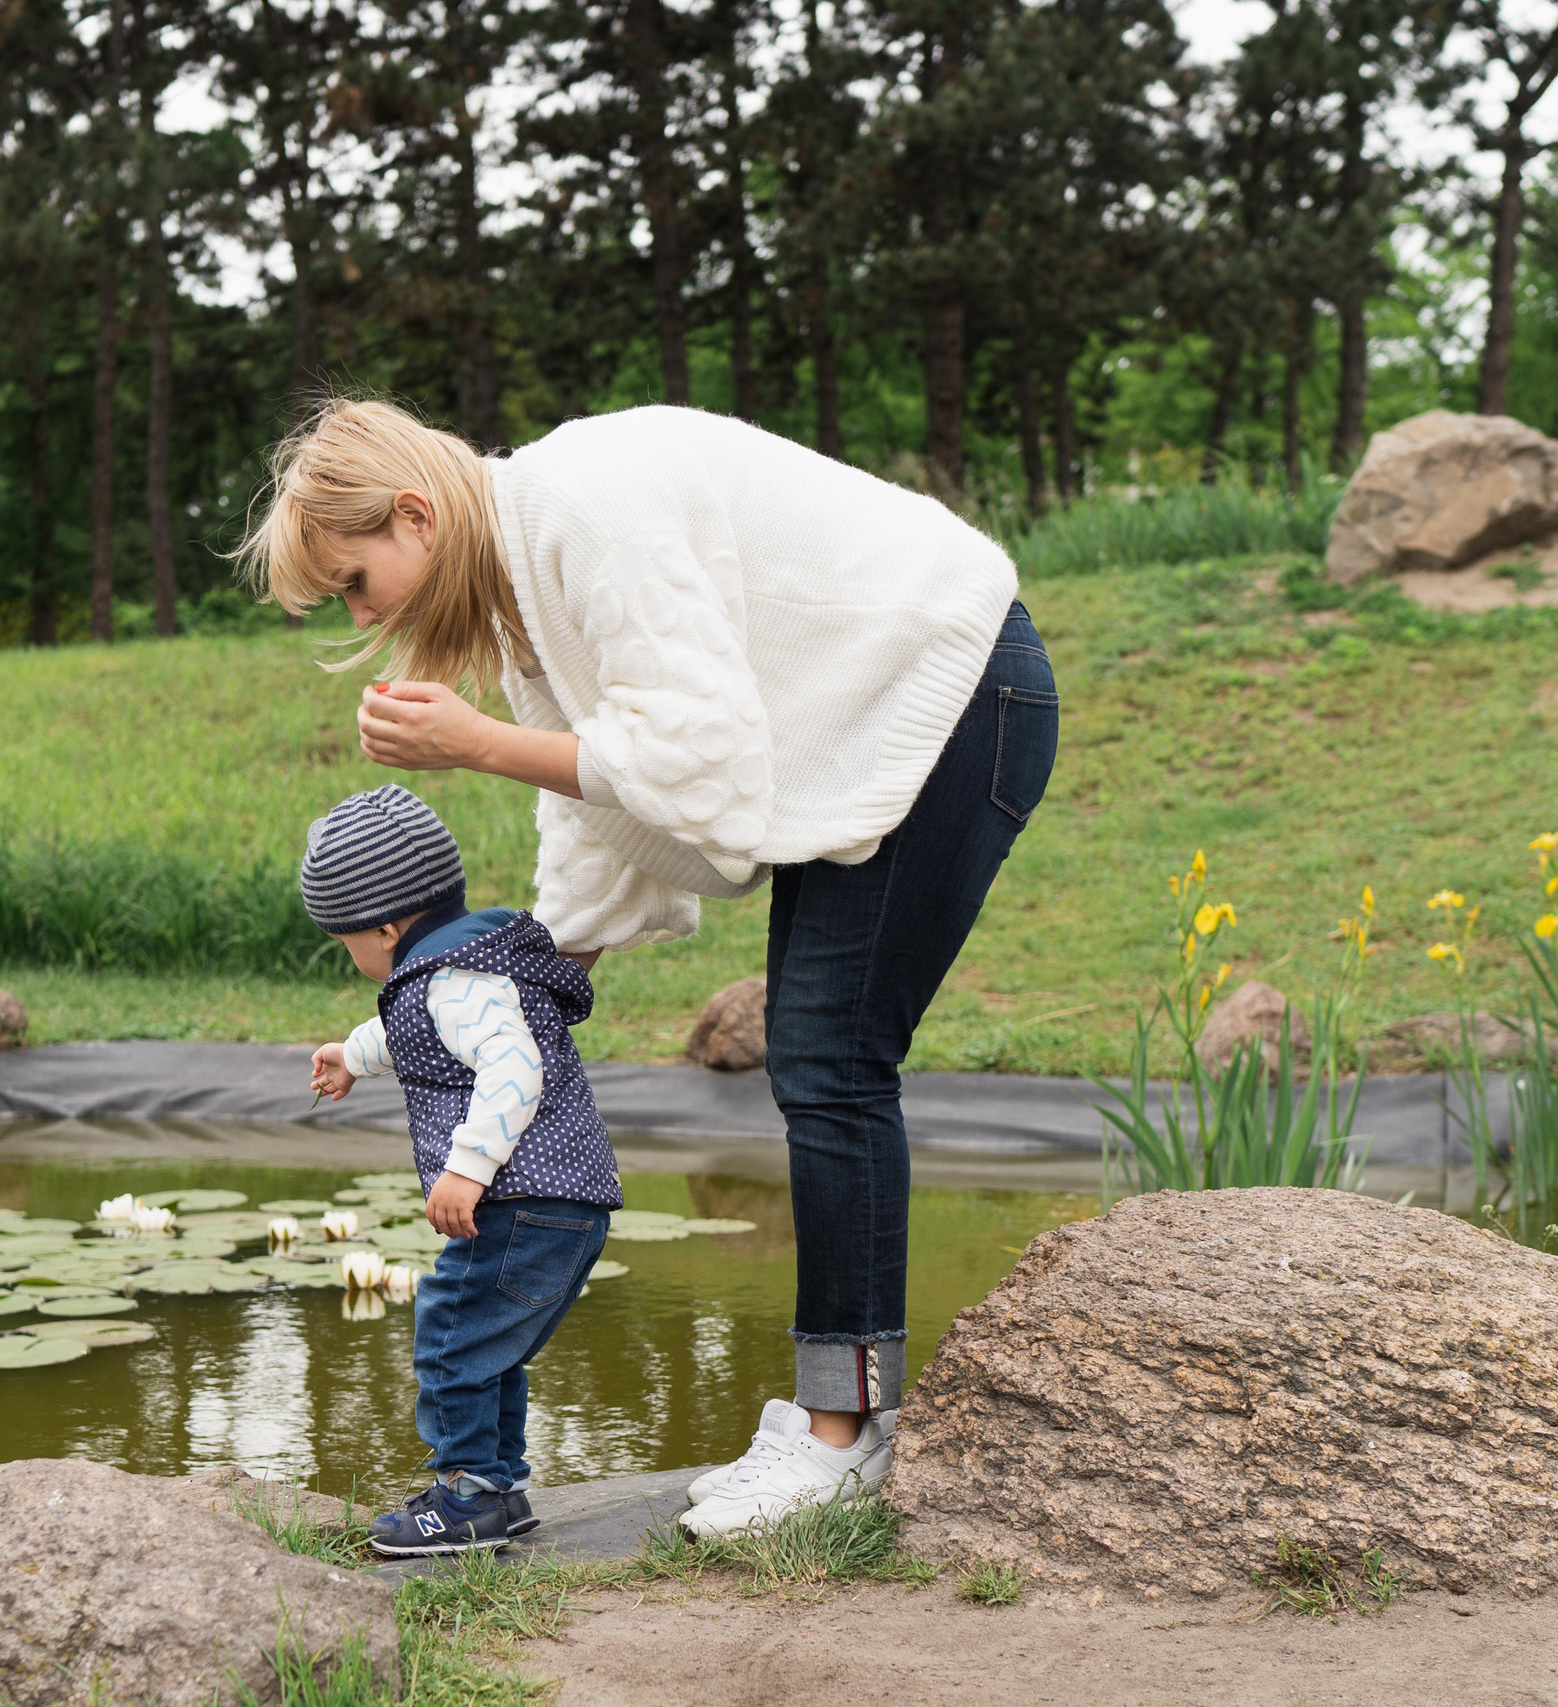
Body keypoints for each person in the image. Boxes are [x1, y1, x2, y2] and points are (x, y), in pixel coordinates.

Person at [243, 398, 1058, 1538]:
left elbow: (699, 756)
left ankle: (842, 1437)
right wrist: (521, 983)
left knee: (830, 1059)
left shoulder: (582, 504)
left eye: (354, 581)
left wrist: (477, 743)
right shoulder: (532, 580)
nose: (364, 617)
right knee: (822, 1057)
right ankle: (832, 1421)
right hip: (877, 729)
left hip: (952, 697)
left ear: (414, 516)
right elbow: (591, 803)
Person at [301, 782, 621, 1556]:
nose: (355, 959)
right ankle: (499, 1488)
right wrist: (351, 1056)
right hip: (560, 1195)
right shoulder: (458, 970)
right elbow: (413, 1034)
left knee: (448, 1327)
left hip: (523, 1194)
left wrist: (467, 1167)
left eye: (349, 942)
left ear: (384, 927)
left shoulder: (455, 982)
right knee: (488, 1341)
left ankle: (466, 1493)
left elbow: (513, 1067)